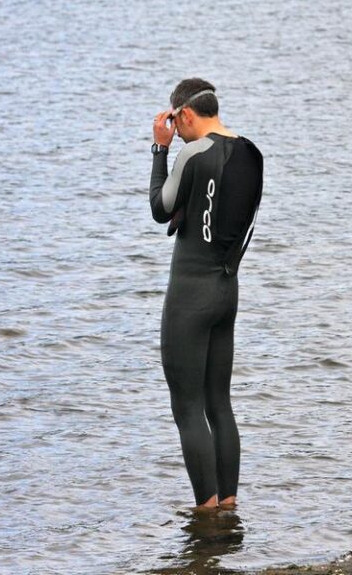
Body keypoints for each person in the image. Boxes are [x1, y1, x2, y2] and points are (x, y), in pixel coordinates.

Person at [149, 78, 263, 510]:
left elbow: (161, 208)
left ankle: (207, 516)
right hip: (226, 290)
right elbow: (229, 217)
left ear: (186, 114)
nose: (174, 130)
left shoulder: (193, 152)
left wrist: (159, 150)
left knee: (188, 409)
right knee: (220, 403)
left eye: (175, 123)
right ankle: (229, 507)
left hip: (190, 295)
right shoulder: (253, 153)